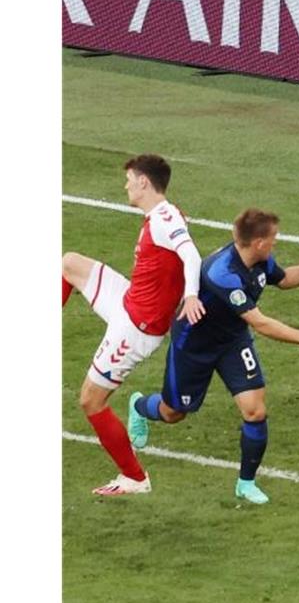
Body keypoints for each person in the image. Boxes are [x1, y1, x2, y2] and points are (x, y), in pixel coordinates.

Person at [125, 208, 299, 504]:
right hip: (194, 345)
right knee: (174, 412)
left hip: (232, 341)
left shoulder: (260, 260)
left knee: (255, 411)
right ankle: (138, 406)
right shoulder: (222, 273)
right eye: (273, 238)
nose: (276, 242)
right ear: (259, 242)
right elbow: (260, 323)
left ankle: (245, 484)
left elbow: (286, 278)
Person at [62, 154, 205, 496]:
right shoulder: (158, 216)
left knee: (90, 400)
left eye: (129, 179)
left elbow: (192, 256)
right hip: (127, 300)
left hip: (136, 327)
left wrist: (190, 296)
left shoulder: (164, 218)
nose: (125, 185)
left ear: (144, 182)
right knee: (69, 263)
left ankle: (135, 478)